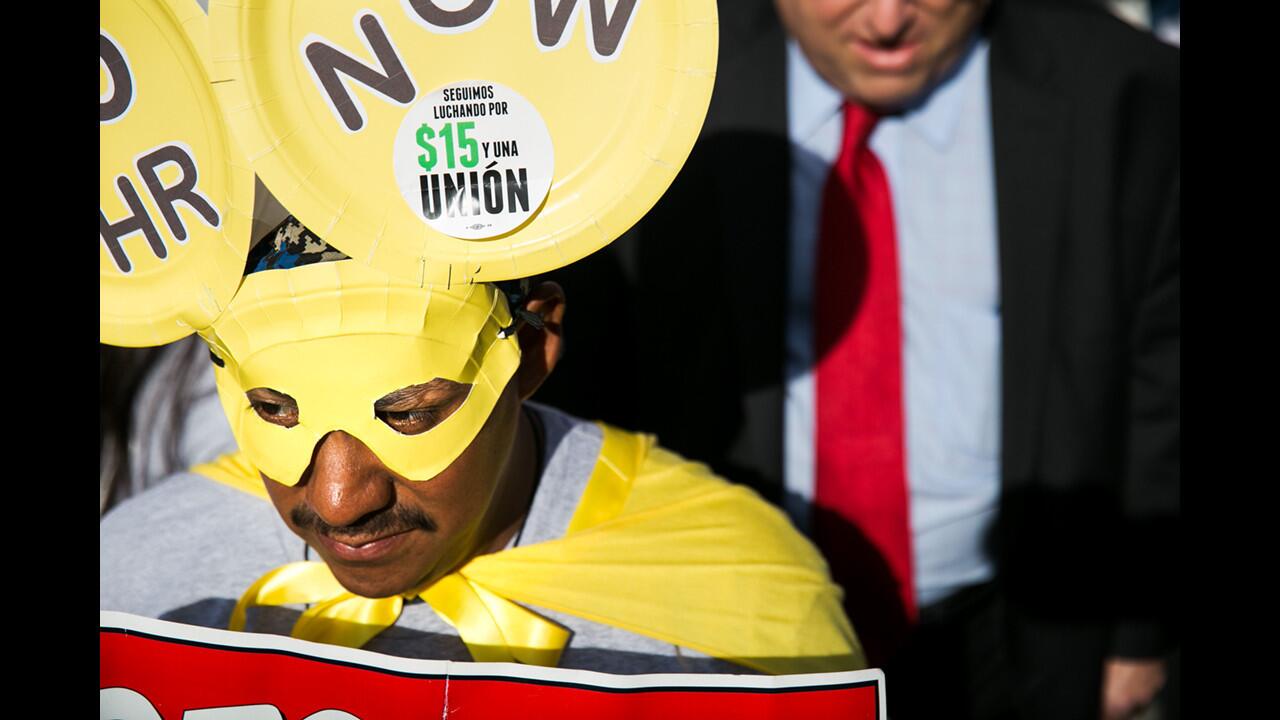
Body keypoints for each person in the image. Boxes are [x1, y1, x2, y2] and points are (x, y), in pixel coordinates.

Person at [539, 0, 1178, 717]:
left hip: (1023, 628)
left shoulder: (1124, 89)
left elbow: (1162, 386)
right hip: (733, 636)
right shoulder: (653, 92)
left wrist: (1139, 628)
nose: (885, 20)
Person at [100, 219, 866, 676]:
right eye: (272, 409)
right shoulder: (135, 576)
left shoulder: (741, 599)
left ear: (532, 346)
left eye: (408, 413)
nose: (337, 500)